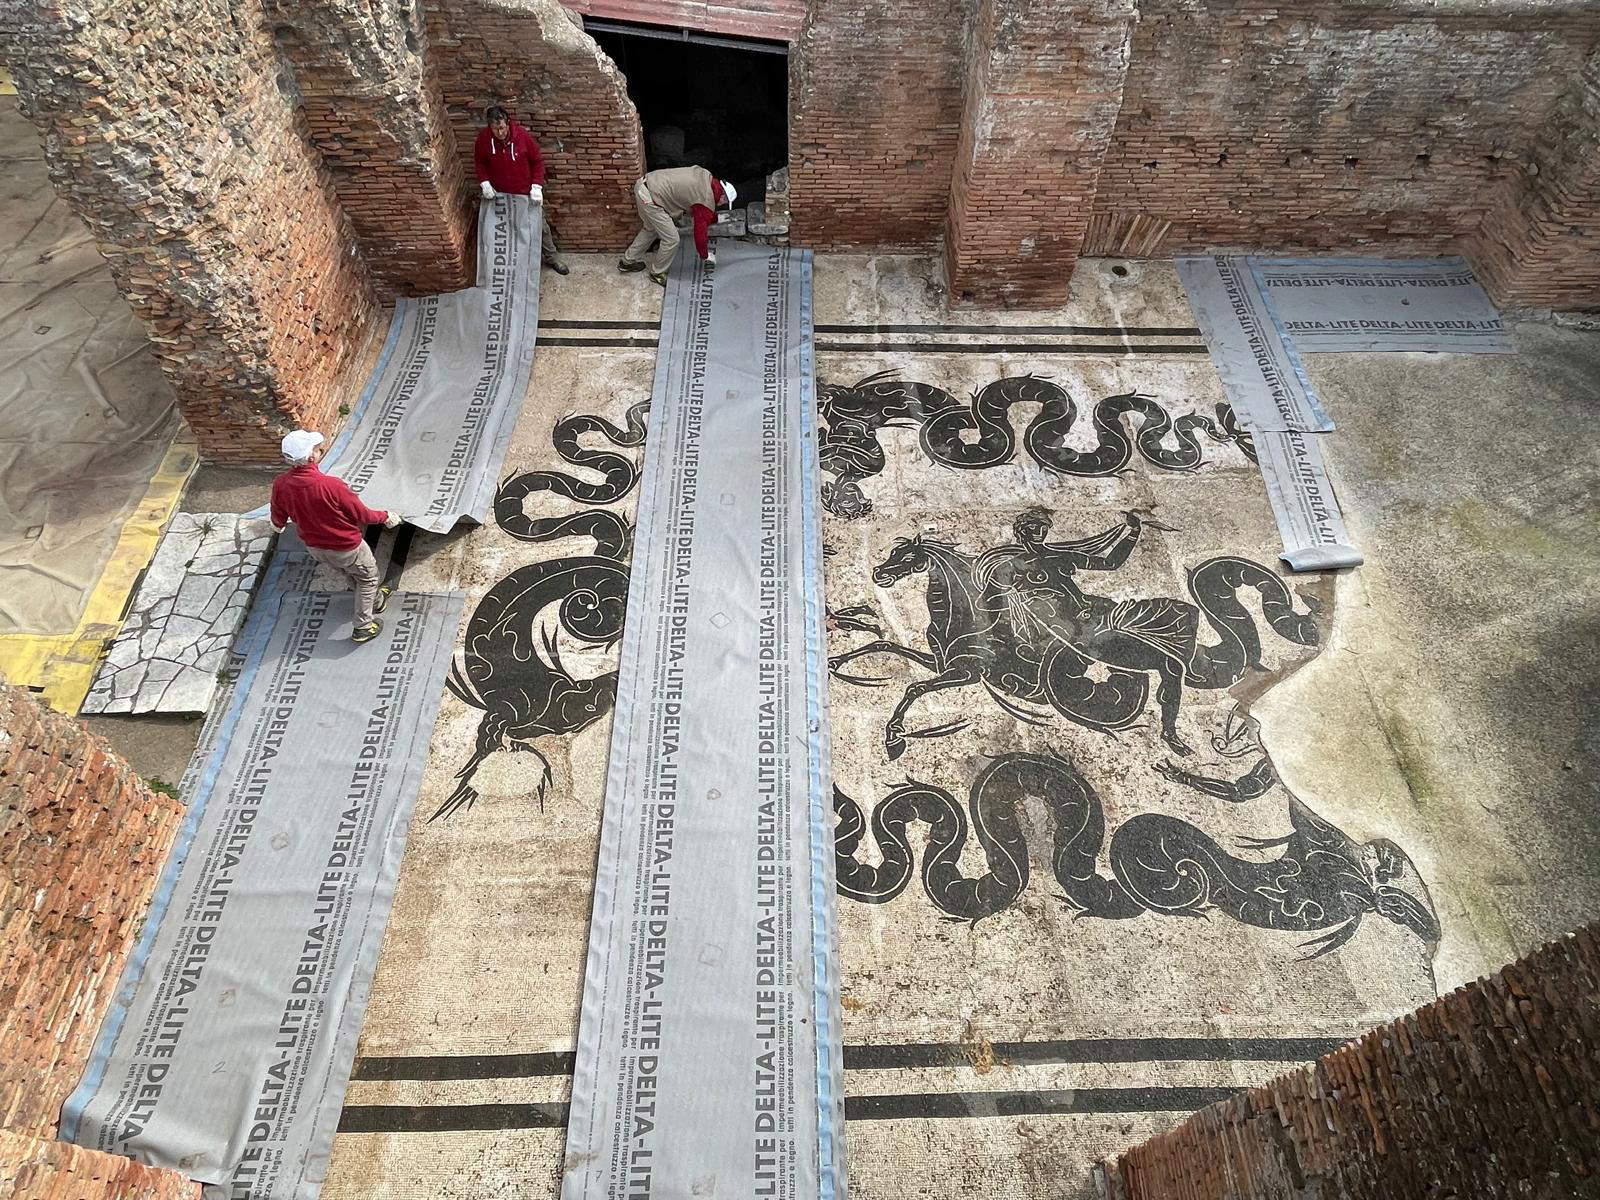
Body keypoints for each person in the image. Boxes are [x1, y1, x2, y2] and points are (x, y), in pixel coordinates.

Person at [270, 430, 402, 644]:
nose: (320, 448)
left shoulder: (281, 484)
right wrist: (386, 517)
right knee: (368, 578)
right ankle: (363, 626)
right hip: (347, 547)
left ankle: (376, 601)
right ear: (312, 458)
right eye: (316, 447)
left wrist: (277, 525)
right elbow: (363, 515)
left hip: (315, 549)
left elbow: (278, 516)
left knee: (348, 573)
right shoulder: (332, 486)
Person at [474, 105, 569, 275]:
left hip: (526, 193)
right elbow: (480, 162)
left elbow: (538, 161)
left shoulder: (523, 137)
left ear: (508, 123)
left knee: (541, 227)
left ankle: (551, 257)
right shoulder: (483, 140)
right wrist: (485, 182)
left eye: (502, 128)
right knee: (510, 231)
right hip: (501, 196)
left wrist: (536, 186)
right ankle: (517, 263)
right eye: (495, 129)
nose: (500, 133)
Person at [618, 166, 737, 286]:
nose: (722, 204)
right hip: (652, 199)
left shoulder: (706, 176)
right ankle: (657, 273)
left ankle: (627, 262)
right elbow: (700, 232)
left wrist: (716, 218)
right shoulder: (706, 200)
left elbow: (699, 209)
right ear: (722, 197)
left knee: (651, 229)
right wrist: (705, 255)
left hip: (644, 185)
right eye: (725, 202)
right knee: (672, 239)